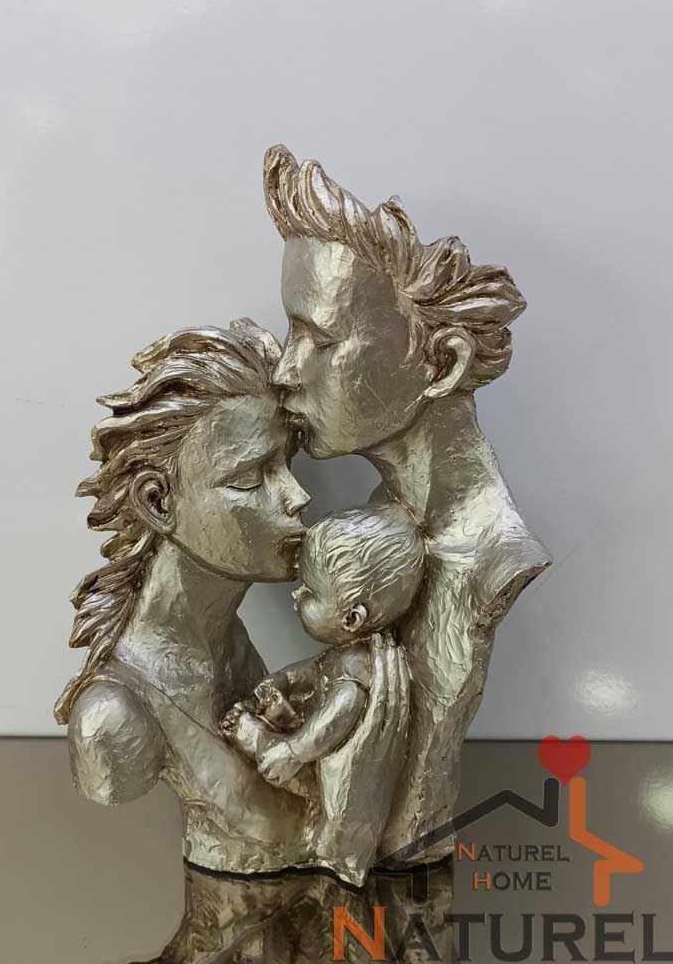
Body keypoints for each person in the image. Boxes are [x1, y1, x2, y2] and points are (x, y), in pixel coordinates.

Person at [55, 319, 410, 904]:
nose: (297, 496)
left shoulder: (230, 646)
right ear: (158, 501)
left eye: (287, 464)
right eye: (251, 478)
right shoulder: (115, 719)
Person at [264, 145, 552, 864]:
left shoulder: (486, 559)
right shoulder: (385, 520)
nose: (284, 370)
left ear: (440, 363)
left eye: (318, 338)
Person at [221, 504, 424, 797]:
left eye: (310, 592)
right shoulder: (346, 653)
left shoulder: (356, 671)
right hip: (307, 735)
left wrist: (295, 751)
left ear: (351, 619)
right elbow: (315, 669)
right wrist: (285, 679)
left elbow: (338, 712)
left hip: (319, 770)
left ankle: (257, 739)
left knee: (265, 746)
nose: (296, 594)